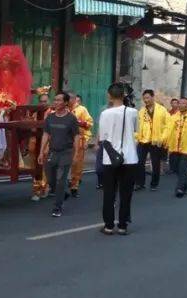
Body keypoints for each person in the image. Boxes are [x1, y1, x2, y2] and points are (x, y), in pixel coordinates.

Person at [97, 84, 138, 235]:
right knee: (126, 194)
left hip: (111, 158)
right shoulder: (133, 112)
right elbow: (135, 131)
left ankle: (108, 226)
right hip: (130, 157)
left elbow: (103, 137)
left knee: (109, 193)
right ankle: (122, 226)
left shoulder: (105, 114)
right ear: (124, 95)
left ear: (109, 96)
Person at [38, 91, 78, 218]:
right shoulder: (50, 117)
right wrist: (41, 151)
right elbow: (46, 135)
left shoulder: (71, 118)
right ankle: (62, 193)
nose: (56, 102)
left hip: (66, 152)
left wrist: (76, 154)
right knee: (51, 179)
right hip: (52, 152)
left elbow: (76, 136)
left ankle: (57, 207)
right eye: (55, 100)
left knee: (61, 179)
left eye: (59, 100)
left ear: (66, 103)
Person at [133, 89, 168, 191]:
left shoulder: (162, 110)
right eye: (144, 98)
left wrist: (162, 138)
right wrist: (136, 137)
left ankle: (154, 184)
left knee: (155, 163)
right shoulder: (142, 111)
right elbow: (138, 126)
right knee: (139, 162)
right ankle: (140, 183)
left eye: (147, 98)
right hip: (143, 140)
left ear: (153, 97)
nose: (146, 100)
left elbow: (168, 126)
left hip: (156, 141)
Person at [68, 92, 93, 198]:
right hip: (65, 141)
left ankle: (74, 186)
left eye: (69, 99)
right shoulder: (62, 109)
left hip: (78, 141)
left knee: (77, 164)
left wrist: (79, 123)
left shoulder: (82, 110)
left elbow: (90, 123)